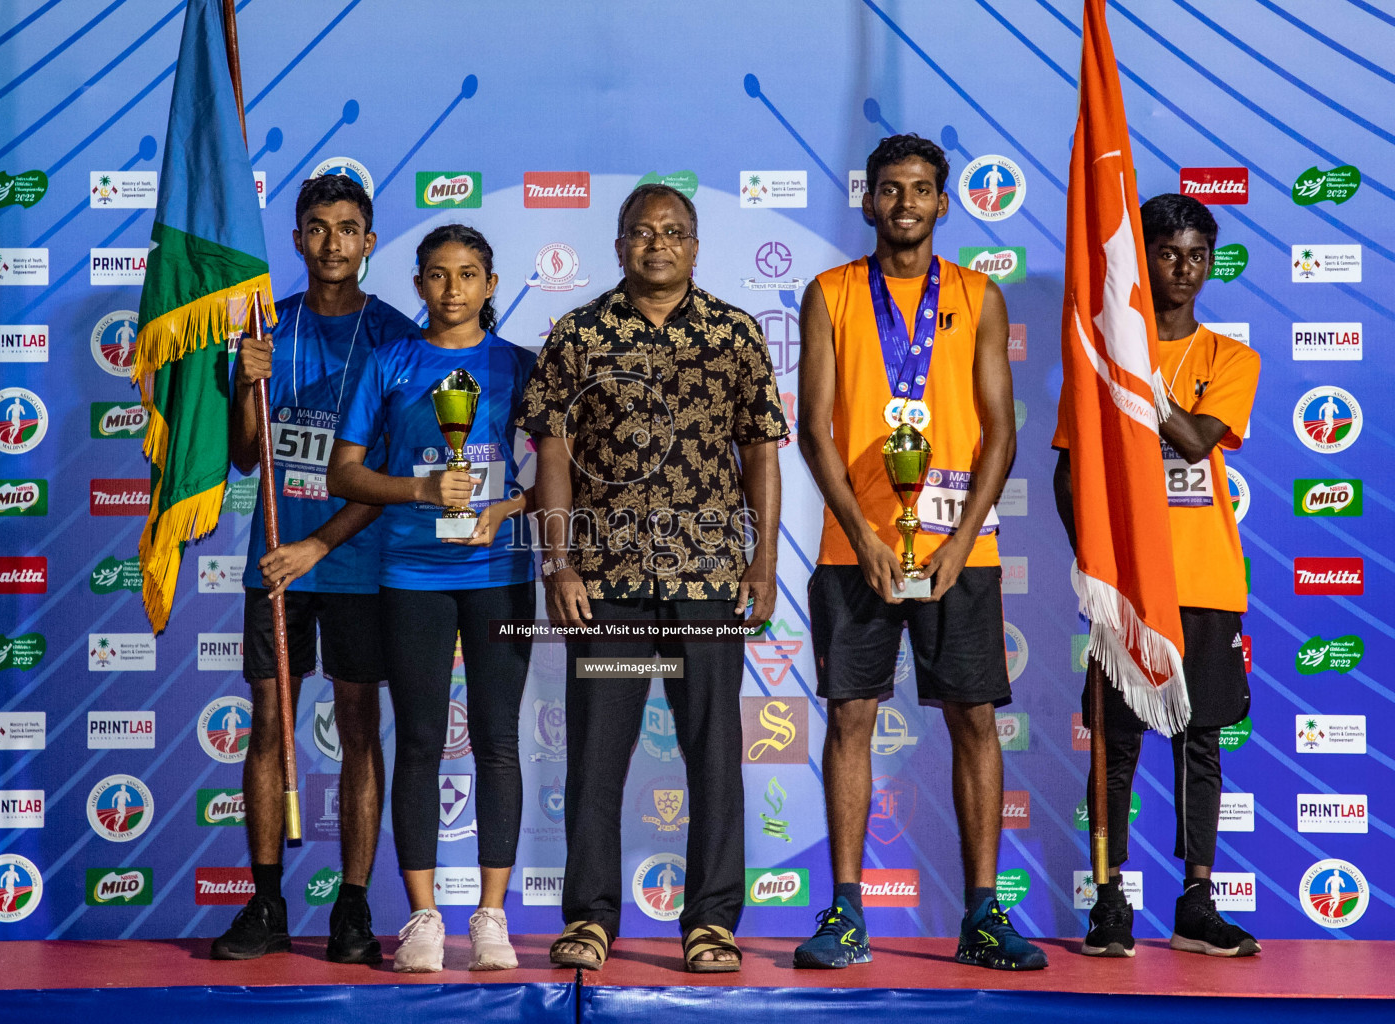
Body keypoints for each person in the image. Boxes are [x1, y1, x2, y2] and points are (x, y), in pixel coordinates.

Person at [517, 183, 788, 973]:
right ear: (619, 245)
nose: (657, 244)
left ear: (696, 247)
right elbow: (554, 455)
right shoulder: (579, 333)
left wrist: (764, 560)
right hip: (608, 582)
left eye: (673, 232)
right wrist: (558, 561)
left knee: (713, 753)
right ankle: (591, 918)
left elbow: (761, 451)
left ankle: (710, 923)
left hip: (707, 580)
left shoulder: (733, 334)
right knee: (598, 754)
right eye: (641, 232)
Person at [795, 134, 1043, 971]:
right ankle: (845, 913)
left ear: (944, 202)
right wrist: (865, 537)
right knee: (850, 719)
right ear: (870, 202)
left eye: (923, 189)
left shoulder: (980, 295)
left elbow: (1002, 434)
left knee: (975, 721)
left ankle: (982, 913)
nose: (906, 203)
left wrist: (962, 541)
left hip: (958, 551)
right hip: (850, 546)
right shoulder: (829, 293)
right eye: (892, 189)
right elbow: (815, 429)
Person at [211, 173, 419, 964]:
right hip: (277, 566)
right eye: (317, 227)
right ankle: (265, 904)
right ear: (297, 239)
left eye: (348, 227)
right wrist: (246, 385)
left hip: (358, 568)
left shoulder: (397, 339)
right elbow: (241, 455)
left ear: (369, 240)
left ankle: (354, 912)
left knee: (360, 732)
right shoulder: (267, 330)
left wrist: (319, 546)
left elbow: (391, 476)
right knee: (268, 727)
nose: (332, 242)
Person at [1053, 193, 1261, 959]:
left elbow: (1200, 442)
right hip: (1128, 589)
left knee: (1200, 743)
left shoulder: (1228, 359)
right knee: (1117, 745)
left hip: (1204, 579)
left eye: (1197, 254)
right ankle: (1110, 900)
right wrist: (1096, 562)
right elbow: (1069, 474)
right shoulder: (1095, 362)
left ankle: (1196, 903)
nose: (1184, 268)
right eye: (1168, 253)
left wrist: (1139, 379)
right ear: (1142, 261)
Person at [327, 224, 537, 973]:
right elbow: (343, 474)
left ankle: (490, 916)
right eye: (438, 275)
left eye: (469, 274)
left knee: (498, 742)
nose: (453, 289)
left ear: (491, 284)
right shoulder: (391, 362)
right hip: (411, 574)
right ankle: (423, 917)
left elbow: (556, 478)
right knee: (416, 741)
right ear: (417, 284)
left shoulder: (521, 368)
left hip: (498, 574)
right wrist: (419, 488)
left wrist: (503, 510)